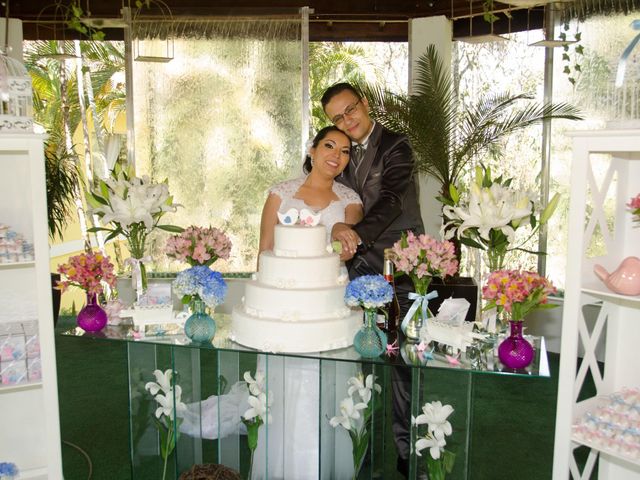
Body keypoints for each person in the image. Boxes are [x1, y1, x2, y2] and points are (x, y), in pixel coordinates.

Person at [321, 82, 425, 478]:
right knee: (356, 353)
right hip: (354, 267)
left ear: (365, 104)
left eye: (351, 110)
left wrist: (356, 234)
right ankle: (356, 440)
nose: (347, 121)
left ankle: (405, 449)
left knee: (400, 359)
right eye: (337, 118)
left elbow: (393, 200)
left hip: (398, 266)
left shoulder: (397, 146)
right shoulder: (341, 151)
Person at [251, 125, 364, 479]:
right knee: (282, 388)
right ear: (312, 150)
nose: (337, 155)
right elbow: (265, 250)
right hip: (282, 306)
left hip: (326, 304)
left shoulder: (350, 201)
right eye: (330, 145)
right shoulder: (279, 193)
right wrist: (268, 301)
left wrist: (335, 233)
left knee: (326, 387)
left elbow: (346, 250)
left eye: (345, 151)